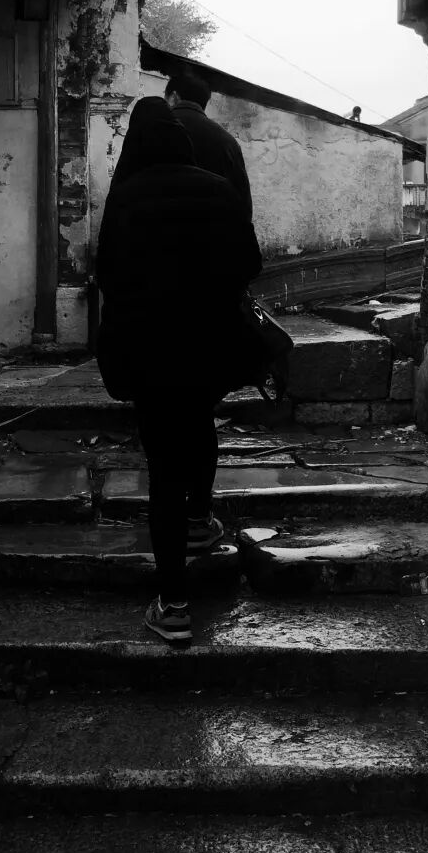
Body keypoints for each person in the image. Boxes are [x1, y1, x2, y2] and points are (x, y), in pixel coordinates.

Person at [95, 97, 263, 645]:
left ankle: (173, 605)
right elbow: (250, 264)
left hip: (149, 352)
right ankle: (200, 518)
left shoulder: (126, 198)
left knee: (163, 468)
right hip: (209, 347)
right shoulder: (217, 190)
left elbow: (108, 276)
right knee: (201, 426)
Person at [164, 68, 253, 221]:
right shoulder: (228, 142)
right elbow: (243, 204)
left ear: (173, 97)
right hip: (212, 231)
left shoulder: (153, 130)